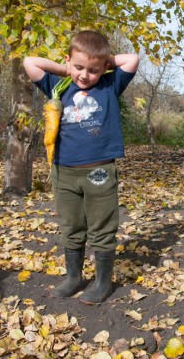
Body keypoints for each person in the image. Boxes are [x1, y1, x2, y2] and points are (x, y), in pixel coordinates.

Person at [23, 30, 139, 305]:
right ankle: (74, 277)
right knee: (71, 226)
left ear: (104, 69)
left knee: (101, 227)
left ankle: (102, 282)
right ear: (68, 62)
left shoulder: (109, 85)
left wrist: (103, 61)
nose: (85, 75)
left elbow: (132, 59)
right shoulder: (58, 85)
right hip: (64, 172)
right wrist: (66, 69)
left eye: (93, 70)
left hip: (99, 172)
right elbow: (30, 62)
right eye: (78, 67)